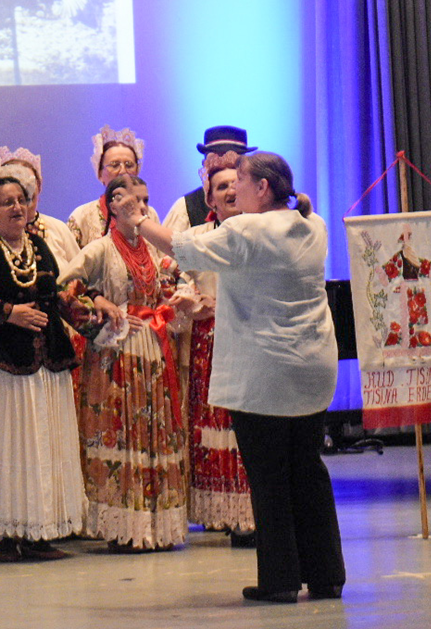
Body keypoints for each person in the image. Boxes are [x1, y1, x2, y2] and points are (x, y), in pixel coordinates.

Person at [138, 152, 345, 604]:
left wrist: (138, 220)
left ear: (263, 188)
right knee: (308, 469)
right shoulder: (314, 225)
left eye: (241, 182)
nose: (234, 190)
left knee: (269, 476)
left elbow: (180, 247)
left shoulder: (248, 230)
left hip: (266, 372)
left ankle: (280, 580)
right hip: (313, 367)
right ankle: (327, 575)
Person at [0, 164, 84, 562]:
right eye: (6, 202)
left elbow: (55, 291)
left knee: (43, 447)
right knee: (7, 450)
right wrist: (9, 313)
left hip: (44, 363)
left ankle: (39, 531)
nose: (16, 208)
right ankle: (7, 537)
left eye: (21, 200)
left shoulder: (38, 245)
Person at [59, 174, 188, 553]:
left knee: (154, 432)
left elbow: (181, 278)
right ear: (112, 205)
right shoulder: (99, 249)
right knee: (121, 431)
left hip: (153, 350)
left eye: (144, 200)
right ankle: (123, 526)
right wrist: (98, 309)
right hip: (114, 355)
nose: (140, 207)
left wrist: (177, 299)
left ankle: (155, 524)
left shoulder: (155, 249)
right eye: (132, 201)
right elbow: (64, 289)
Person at [172, 159, 256, 543]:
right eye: (221, 186)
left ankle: (251, 514)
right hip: (209, 344)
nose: (230, 191)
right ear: (210, 198)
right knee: (213, 426)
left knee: (247, 430)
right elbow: (175, 276)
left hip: (251, 343)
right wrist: (192, 300)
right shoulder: (198, 237)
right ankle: (219, 512)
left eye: (235, 184)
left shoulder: (258, 234)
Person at [0, 146, 80, 269]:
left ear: (39, 187)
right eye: (15, 182)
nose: (23, 190)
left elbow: (80, 275)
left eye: (29, 182)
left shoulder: (58, 229)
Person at [161, 126, 257, 232]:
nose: (224, 164)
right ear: (205, 163)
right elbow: (169, 241)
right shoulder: (187, 207)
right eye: (216, 159)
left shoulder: (262, 202)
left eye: (233, 159)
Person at [67, 126, 143, 248]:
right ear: (100, 174)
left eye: (129, 165)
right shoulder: (82, 216)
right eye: (114, 165)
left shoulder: (149, 215)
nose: (123, 171)